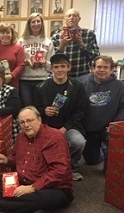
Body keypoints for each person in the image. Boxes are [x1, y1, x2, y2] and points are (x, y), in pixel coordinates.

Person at [0, 106, 74, 213]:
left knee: (49, 198)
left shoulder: (54, 137)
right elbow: (16, 159)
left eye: (29, 120)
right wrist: (5, 161)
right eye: (22, 122)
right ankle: (37, 208)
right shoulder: (21, 137)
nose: (26, 125)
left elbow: (60, 171)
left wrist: (32, 188)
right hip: (24, 180)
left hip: (51, 188)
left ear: (39, 119)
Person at [34, 53, 87, 181]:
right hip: (47, 126)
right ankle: (50, 167)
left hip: (69, 127)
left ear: (69, 67)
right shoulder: (41, 87)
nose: (60, 70)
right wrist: (44, 110)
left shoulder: (77, 86)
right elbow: (34, 109)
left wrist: (65, 128)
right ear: (51, 69)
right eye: (56, 67)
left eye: (63, 66)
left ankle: (71, 168)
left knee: (79, 142)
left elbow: (80, 111)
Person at [82, 56, 124, 167]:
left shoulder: (121, 86)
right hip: (90, 129)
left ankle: (108, 153)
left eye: (106, 67)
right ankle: (103, 151)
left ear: (112, 69)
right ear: (93, 69)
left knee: (111, 167)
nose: (102, 70)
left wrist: (115, 125)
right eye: (99, 67)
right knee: (91, 160)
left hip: (110, 129)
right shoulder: (83, 85)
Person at [51, 8, 100, 83]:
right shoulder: (57, 36)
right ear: (65, 18)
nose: (71, 18)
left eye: (74, 16)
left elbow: (96, 57)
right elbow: (52, 60)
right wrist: (61, 47)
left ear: (79, 19)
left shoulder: (89, 34)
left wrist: (82, 45)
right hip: (63, 77)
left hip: (83, 76)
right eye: (69, 16)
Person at [17, 13, 54, 106]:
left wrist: (44, 63)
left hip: (42, 79)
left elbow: (52, 66)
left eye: (38, 21)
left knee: (41, 108)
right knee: (27, 107)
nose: (36, 24)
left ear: (42, 23)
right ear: (29, 24)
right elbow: (17, 62)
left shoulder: (48, 42)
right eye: (33, 22)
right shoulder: (21, 41)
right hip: (25, 80)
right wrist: (26, 62)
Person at [0, 23, 25, 89]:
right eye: (2, 33)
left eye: (8, 32)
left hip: (13, 84)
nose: (5, 35)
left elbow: (20, 65)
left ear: (12, 34)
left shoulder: (19, 48)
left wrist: (11, 76)